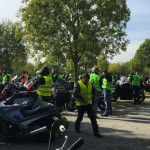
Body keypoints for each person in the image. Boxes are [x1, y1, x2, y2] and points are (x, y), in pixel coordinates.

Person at [73, 73, 102, 138]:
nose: (87, 81)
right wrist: (83, 100)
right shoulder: (78, 83)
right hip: (81, 104)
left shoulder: (90, 83)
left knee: (93, 118)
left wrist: (93, 97)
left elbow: (94, 92)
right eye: (85, 80)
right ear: (82, 78)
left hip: (88, 103)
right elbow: (75, 94)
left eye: (88, 80)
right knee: (80, 117)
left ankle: (96, 133)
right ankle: (77, 128)